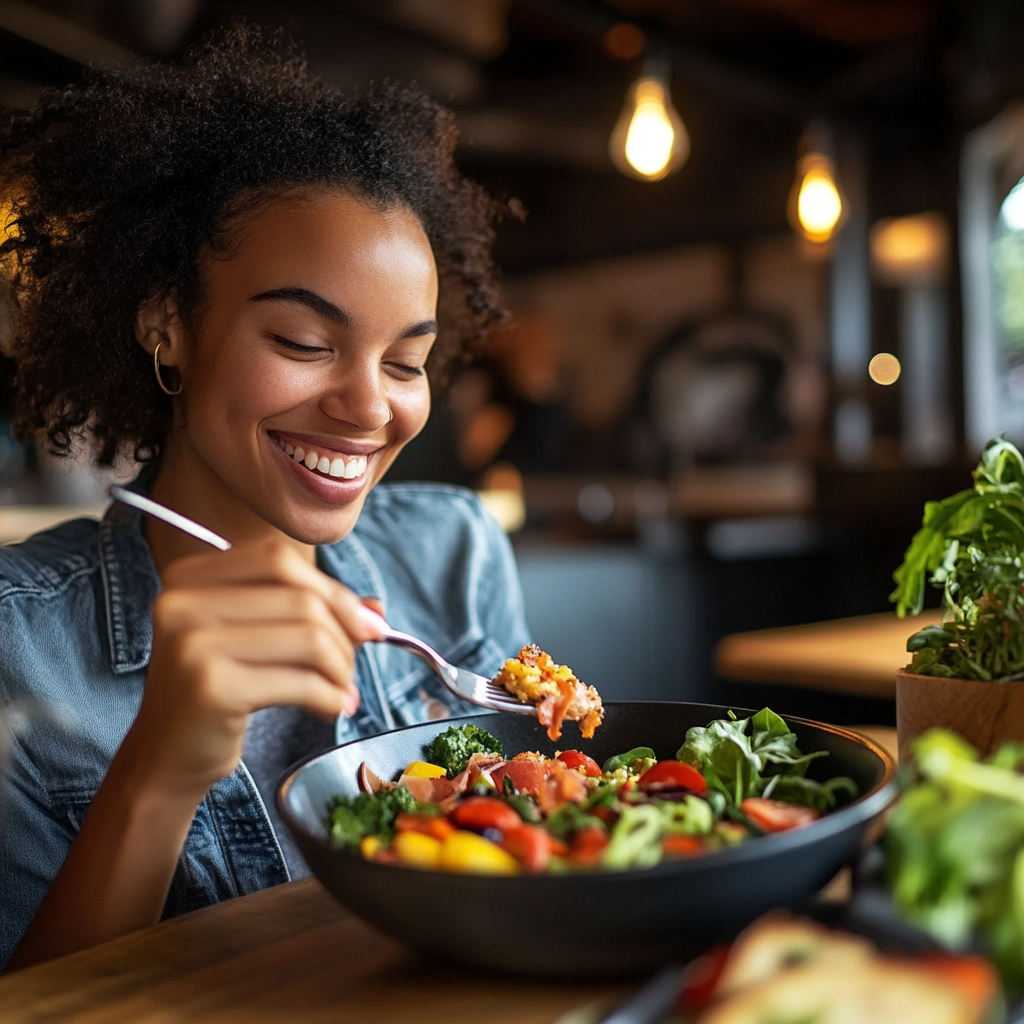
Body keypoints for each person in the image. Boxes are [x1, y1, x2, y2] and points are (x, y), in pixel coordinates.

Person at [0, 26, 530, 972]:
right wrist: (156, 775)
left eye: (405, 361)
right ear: (168, 326)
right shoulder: (20, 647)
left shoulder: (456, 554)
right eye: (302, 341)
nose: (371, 406)